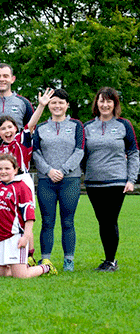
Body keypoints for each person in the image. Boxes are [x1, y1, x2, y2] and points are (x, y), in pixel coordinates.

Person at [83, 87, 139, 272]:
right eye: (102, 101)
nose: (105, 105)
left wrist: (131, 179)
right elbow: (81, 155)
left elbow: (133, 153)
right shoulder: (87, 127)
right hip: (93, 183)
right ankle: (108, 260)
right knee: (102, 221)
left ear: (115, 104)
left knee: (110, 220)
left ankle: (111, 261)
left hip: (116, 182)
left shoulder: (124, 125)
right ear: (96, 103)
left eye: (109, 101)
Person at [32, 88, 84, 272]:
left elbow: (80, 150)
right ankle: (45, 259)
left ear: (67, 105)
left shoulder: (77, 125)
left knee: (68, 222)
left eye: (61, 102)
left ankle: (68, 260)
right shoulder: (41, 128)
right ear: (49, 105)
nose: (57, 106)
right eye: (53, 102)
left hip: (70, 180)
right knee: (47, 222)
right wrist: (49, 171)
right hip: (46, 181)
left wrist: (62, 170)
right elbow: (35, 152)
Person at [0, 153, 57, 278]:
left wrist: (26, 237)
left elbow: (29, 217)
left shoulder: (22, 187)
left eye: (7, 168)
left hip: (15, 236)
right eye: (0, 169)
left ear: (15, 170)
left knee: (21, 276)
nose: (3, 172)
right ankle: (16, 267)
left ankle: (46, 267)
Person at [0, 63, 34, 128]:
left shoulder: (24, 103)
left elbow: (31, 128)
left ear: (12, 79)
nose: (1, 79)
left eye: (5, 76)